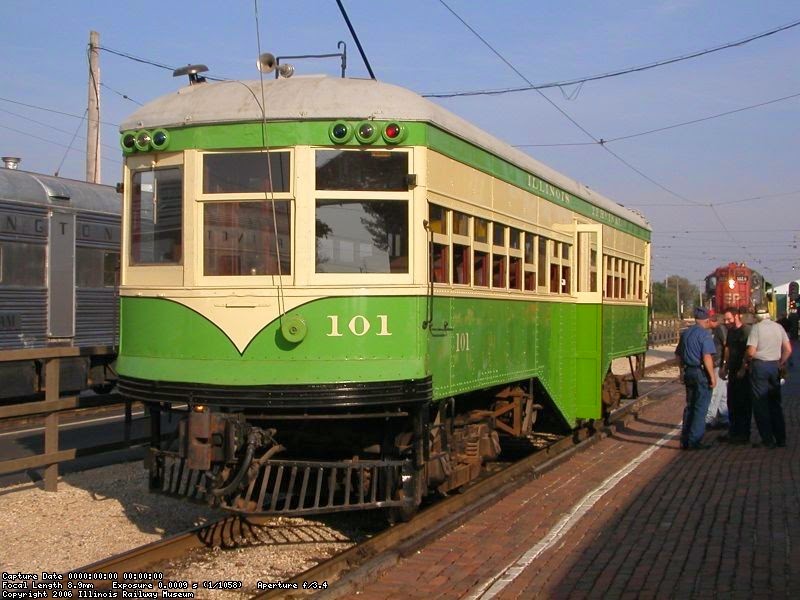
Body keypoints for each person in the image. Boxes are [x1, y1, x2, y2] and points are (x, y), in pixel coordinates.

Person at [742, 306, 793, 448]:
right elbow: (788, 349)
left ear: (757, 316)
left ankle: (767, 439)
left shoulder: (756, 329)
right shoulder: (779, 327)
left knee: (760, 404)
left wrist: (745, 361)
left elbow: (751, 352)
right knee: (775, 404)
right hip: (774, 366)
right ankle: (781, 438)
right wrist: (781, 362)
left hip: (760, 367)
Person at [675, 306, 717, 450]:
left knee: (690, 406)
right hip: (700, 372)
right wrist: (712, 377)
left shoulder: (686, 334)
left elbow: (678, 355)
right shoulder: (704, 335)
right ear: (706, 320)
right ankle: (695, 440)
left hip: (688, 372)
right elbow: (707, 357)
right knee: (700, 407)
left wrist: (681, 371)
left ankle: (685, 439)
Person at [719, 307, 751, 444]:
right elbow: (727, 349)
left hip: (743, 372)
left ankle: (743, 434)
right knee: (732, 402)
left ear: (737, 316)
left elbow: (749, 351)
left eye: (729, 319)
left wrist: (743, 368)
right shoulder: (731, 332)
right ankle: (733, 432)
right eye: (725, 320)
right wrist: (724, 366)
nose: (726, 322)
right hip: (732, 370)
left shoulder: (746, 331)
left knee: (743, 403)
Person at [705, 313, 729, 429]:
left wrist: (724, 364)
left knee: (714, 393)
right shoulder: (719, 329)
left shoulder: (719, 329)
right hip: (719, 363)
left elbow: (726, 346)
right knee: (723, 393)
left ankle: (709, 419)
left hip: (718, 364)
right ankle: (725, 418)